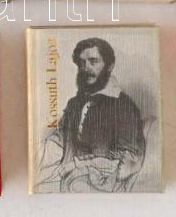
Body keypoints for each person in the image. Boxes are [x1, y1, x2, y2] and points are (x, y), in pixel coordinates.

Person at [36, 38, 145, 192]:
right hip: (65, 174)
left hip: (97, 182)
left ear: (109, 66)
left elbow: (125, 160)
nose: (86, 68)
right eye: (82, 63)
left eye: (93, 61)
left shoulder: (124, 106)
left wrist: (77, 165)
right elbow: (60, 141)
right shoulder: (74, 103)